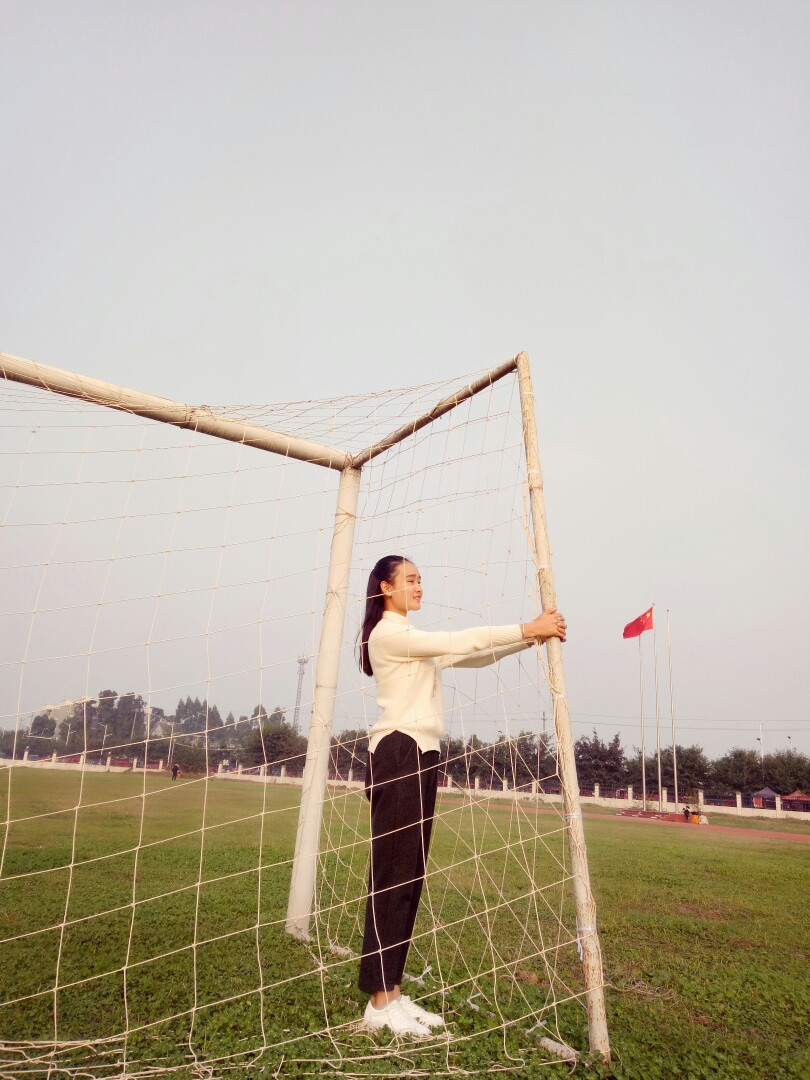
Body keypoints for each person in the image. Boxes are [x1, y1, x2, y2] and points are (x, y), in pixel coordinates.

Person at [356, 554, 567, 1036]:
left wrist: (531, 635)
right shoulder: (389, 633)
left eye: (421, 580)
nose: (419, 587)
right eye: (411, 580)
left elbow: (471, 654)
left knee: (410, 875)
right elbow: (457, 641)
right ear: (387, 588)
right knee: (392, 875)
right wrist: (525, 625)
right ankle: (378, 1003)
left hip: (422, 756)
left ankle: (393, 993)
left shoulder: (412, 641)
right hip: (398, 752)